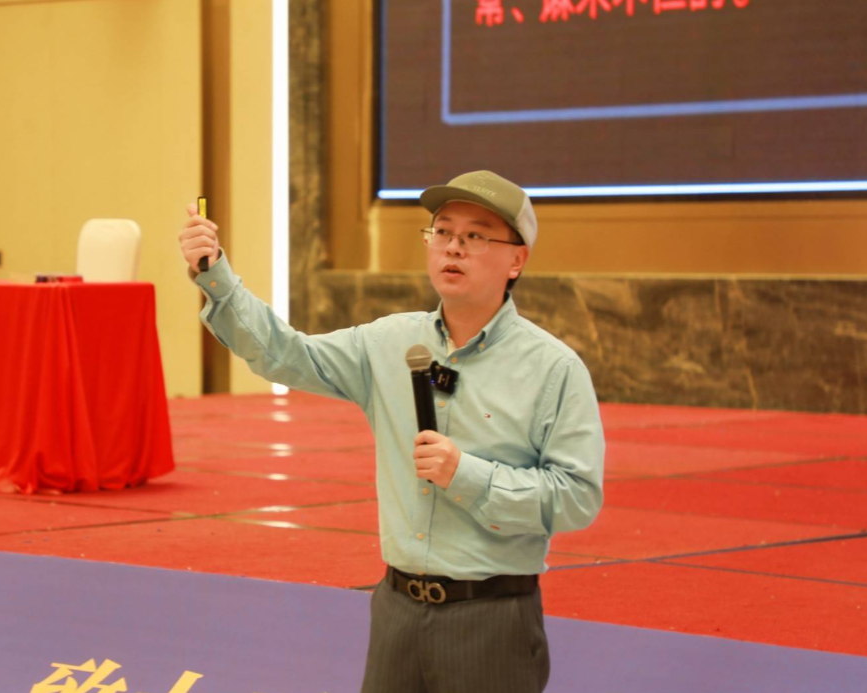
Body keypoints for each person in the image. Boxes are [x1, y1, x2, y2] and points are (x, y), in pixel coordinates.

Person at [178, 170, 605, 692]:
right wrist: (216, 276)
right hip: (397, 611)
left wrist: (467, 476)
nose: (453, 247)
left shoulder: (553, 369)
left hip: (491, 619)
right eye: (443, 232)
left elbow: (577, 498)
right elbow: (284, 354)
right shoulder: (388, 342)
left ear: (517, 260)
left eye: (475, 236)